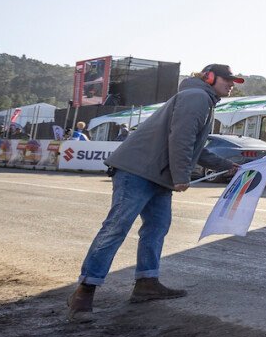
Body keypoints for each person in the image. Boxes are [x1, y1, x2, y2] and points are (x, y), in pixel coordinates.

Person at [66, 65, 244, 321]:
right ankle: (83, 293)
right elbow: (180, 138)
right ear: (210, 77)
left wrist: (228, 166)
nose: (232, 85)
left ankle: (146, 283)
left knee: (157, 227)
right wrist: (182, 176)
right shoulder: (197, 97)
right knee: (117, 227)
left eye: (234, 81)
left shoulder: (202, 99)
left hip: (157, 175)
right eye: (228, 80)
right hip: (137, 170)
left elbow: (195, 147)